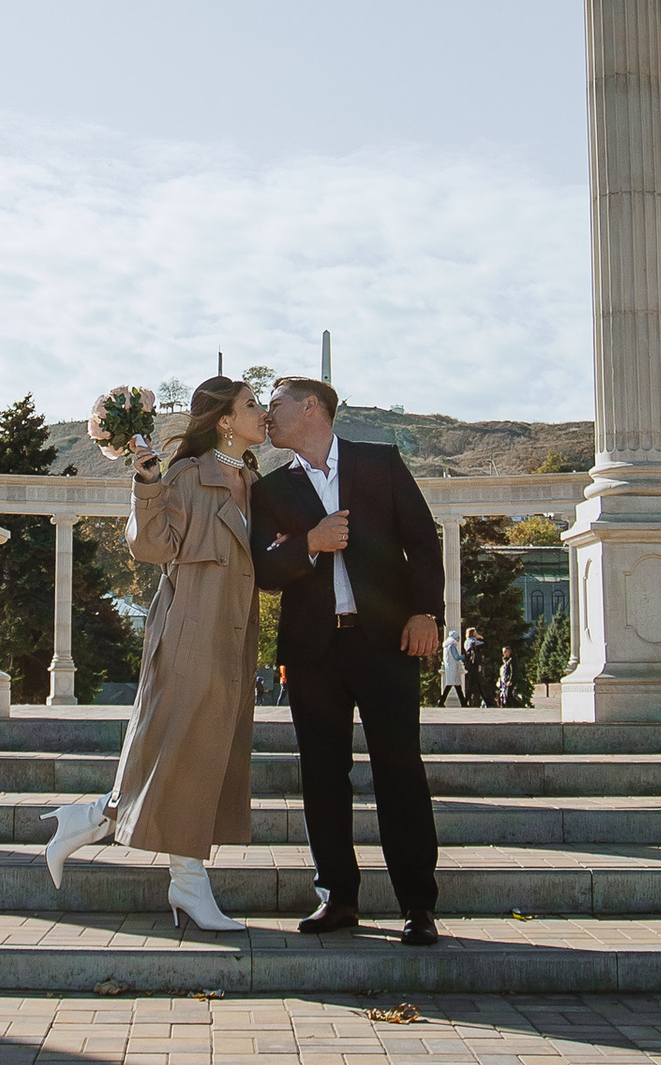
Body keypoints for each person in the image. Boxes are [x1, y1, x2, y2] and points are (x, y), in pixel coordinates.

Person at [41, 377, 264, 941]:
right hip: (189, 632)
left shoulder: (251, 479)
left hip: (234, 636)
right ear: (224, 420)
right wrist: (146, 484)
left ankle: (89, 820)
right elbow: (152, 547)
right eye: (251, 405)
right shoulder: (186, 474)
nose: (261, 412)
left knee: (196, 756)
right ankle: (187, 882)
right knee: (186, 753)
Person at [250, 375, 445, 947]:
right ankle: (337, 898)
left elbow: (422, 540)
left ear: (311, 407)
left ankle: (418, 906)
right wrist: (310, 542)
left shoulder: (379, 462)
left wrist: (425, 613)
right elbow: (262, 569)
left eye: (275, 404)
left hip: (385, 643)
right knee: (321, 776)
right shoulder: (270, 488)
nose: (267, 415)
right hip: (313, 652)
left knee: (400, 771)